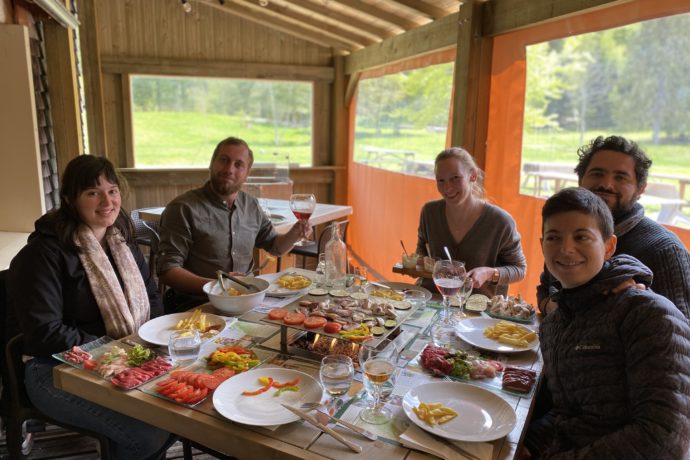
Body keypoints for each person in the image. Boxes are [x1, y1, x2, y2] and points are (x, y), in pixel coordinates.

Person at [6, 155, 174, 460]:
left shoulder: (121, 242)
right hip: (53, 370)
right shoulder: (43, 254)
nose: (106, 201)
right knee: (146, 434)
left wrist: (151, 343)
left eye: (112, 190)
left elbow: (152, 300)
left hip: (123, 357)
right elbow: (46, 332)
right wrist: (118, 351)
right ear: (70, 199)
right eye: (92, 192)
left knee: (175, 415)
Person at [524, 187, 690, 458]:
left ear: (609, 246)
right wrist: (530, 443)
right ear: (542, 244)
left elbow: (664, 440)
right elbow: (571, 411)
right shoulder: (556, 323)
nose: (566, 249)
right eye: (554, 237)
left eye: (581, 237)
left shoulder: (647, 314)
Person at [537, 135, 690, 319]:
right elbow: (546, 289)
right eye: (597, 173)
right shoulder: (565, 233)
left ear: (640, 189)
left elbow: (682, 333)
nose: (606, 184)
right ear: (580, 179)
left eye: (621, 177)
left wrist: (646, 303)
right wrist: (552, 308)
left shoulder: (663, 249)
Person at [157, 136, 311, 312]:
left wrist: (295, 232)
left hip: (247, 302)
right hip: (197, 305)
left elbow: (275, 247)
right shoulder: (183, 208)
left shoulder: (251, 205)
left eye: (238, 164)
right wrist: (217, 286)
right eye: (224, 160)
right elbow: (167, 271)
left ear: (246, 174)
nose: (229, 169)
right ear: (211, 164)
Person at [415, 147, 526, 297]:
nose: (447, 187)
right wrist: (420, 264)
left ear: (472, 176)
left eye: (455, 178)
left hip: (477, 309)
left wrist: (489, 273)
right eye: (441, 180)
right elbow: (422, 253)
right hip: (432, 301)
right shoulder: (429, 212)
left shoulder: (500, 221)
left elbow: (519, 269)